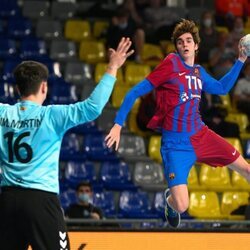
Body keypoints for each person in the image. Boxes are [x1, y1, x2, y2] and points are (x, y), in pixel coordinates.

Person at [105, 19, 250, 228]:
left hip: (201, 134)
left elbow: (222, 88)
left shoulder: (199, 71)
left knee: (246, 169)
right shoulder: (171, 63)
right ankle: (170, 202)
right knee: (182, 205)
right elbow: (134, 92)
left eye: (189, 40)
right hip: (175, 144)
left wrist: (241, 59)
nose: (184, 44)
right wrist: (118, 124)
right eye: (180, 41)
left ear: (196, 45)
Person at [0, 37, 133, 250]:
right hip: (41, 200)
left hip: (7, 201)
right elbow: (93, 107)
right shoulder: (52, 115)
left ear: (18, 89)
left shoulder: (2, 112)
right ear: (44, 87)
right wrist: (113, 66)